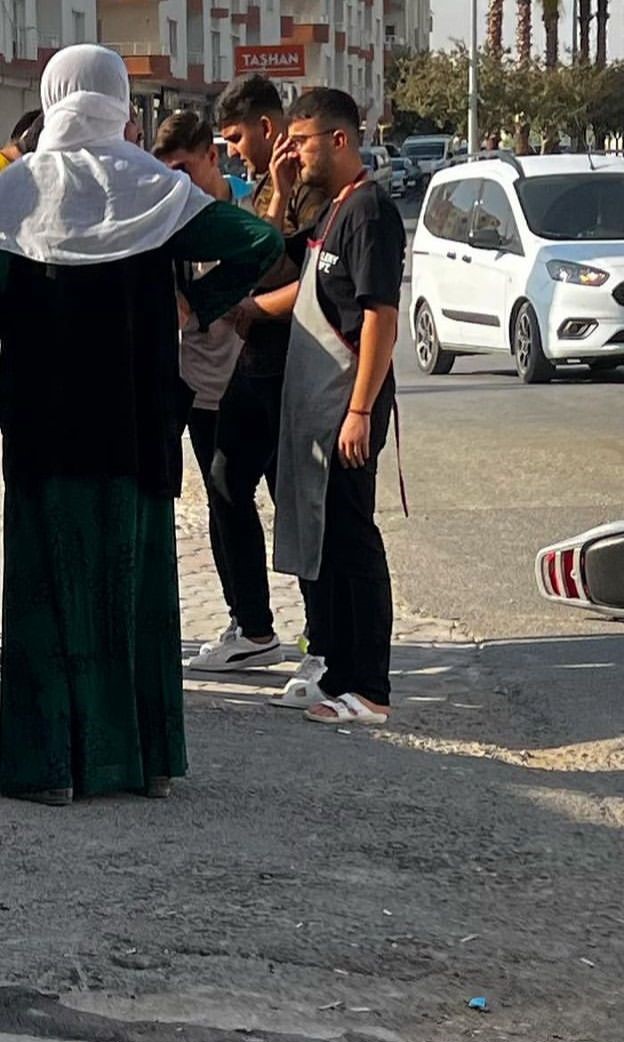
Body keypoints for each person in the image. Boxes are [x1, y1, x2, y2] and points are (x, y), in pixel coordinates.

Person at [0, 44, 282, 806]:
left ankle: (49, 768)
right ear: (119, 100)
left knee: (44, 589)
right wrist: (197, 303)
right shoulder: (150, 187)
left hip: (42, 430)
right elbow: (261, 241)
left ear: (55, 95)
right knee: (135, 585)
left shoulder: (14, 191)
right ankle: (146, 763)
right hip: (135, 423)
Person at [236, 88, 404, 726]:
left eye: (302, 142)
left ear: (339, 140)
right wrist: (275, 182)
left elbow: (379, 317)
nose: (293, 150)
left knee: (356, 543)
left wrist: (360, 410)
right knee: (329, 543)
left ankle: (371, 689)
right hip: (317, 408)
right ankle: (337, 671)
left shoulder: (369, 212)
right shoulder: (332, 210)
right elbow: (280, 269)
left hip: (346, 408)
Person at [187, 75, 330, 691]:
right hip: (259, 369)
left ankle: (321, 643)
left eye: (238, 137)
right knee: (227, 484)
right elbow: (260, 251)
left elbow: (320, 279)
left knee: (300, 504)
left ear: (267, 130)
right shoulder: (272, 192)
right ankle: (254, 628)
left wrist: (255, 308)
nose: (236, 151)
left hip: (295, 369)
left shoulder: (321, 197)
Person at [154, 110, 261, 643]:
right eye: (167, 172)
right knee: (221, 504)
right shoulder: (170, 218)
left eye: (185, 169)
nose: (179, 183)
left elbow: (269, 264)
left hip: (248, 374)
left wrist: (198, 303)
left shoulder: (245, 211)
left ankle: (263, 624)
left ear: (213, 158)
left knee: (243, 501)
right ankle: (242, 618)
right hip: (197, 383)